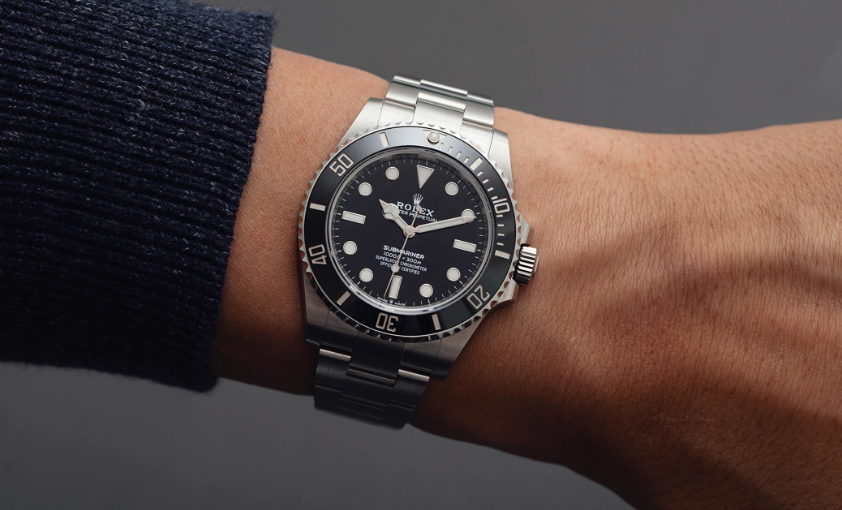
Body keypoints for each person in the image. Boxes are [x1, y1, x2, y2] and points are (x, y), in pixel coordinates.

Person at [2, 0, 841, 508]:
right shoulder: (391, 209)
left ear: (509, 267)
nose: (407, 234)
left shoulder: (479, 254)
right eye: (408, 227)